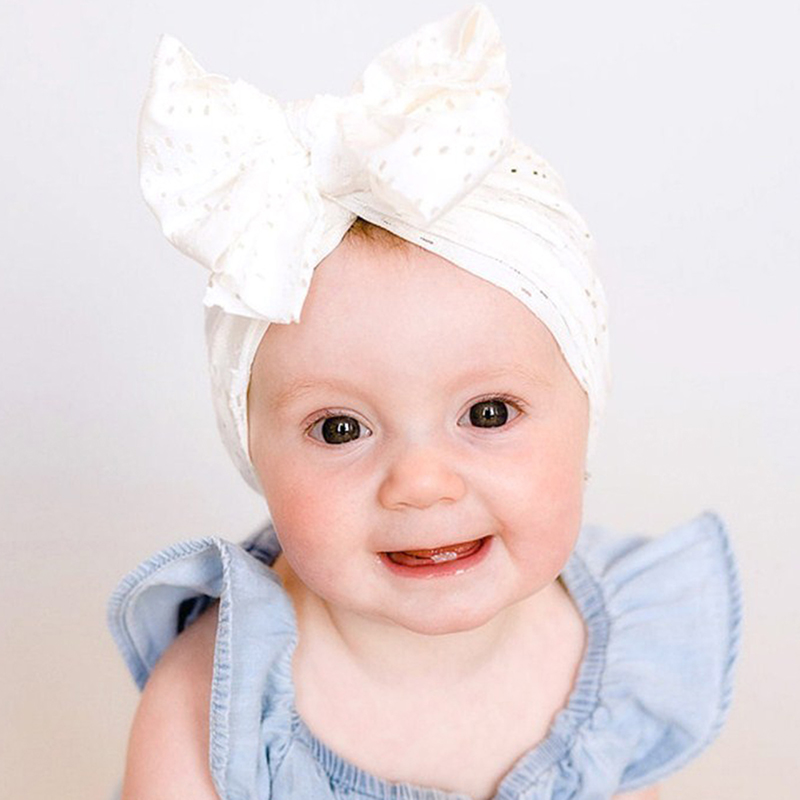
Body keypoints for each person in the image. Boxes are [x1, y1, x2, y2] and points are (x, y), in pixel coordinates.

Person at [108, 5, 741, 799]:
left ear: (586, 415)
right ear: (252, 449)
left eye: (488, 414)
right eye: (341, 428)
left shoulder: (617, 669)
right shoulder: (214, 710)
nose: (422, 482)